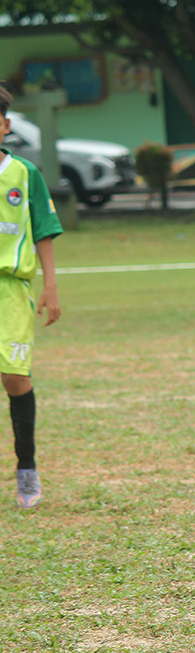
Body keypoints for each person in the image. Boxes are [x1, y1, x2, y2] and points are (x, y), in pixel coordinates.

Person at [0, 85, 63, 508]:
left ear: (5, 125)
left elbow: (42, 229)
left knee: (15, 377)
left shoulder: (25, 174)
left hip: (11, 288)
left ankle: (27, 468)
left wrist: (51, 286)